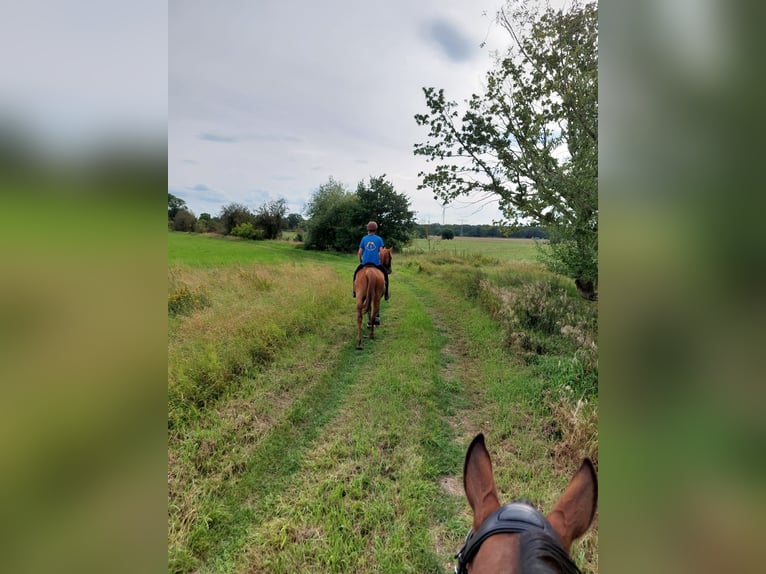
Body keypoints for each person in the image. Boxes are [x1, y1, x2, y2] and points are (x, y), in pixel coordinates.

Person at [352, 221, 389, 301]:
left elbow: (359, 252)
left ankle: (354, 291)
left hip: (365, 263)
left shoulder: (364, 238)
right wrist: (380, 261)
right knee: (385, 275)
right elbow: (382, 252)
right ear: (375, 229)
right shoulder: (379, 239)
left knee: (355, 274)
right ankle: (386, 294)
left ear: (367, 229)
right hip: (376, 263)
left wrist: (361, 261)